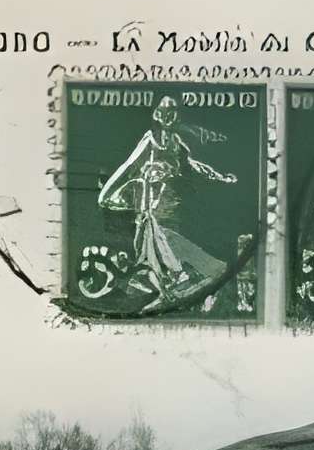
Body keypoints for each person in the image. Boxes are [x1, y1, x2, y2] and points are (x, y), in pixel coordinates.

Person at [97, 96, 238, 305]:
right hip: (148, 201)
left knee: (161, 236)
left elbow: (193, 165)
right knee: (145, 242)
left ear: (176, 117)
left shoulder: (176, 145)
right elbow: (129, 165)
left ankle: (178, 277)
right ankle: (164, 283)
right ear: (157, 115)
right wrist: (107, 191)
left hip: (166, 203)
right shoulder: (150, 139)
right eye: (164, 113)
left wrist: (219, 176)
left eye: (172, 114)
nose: (167, 119)